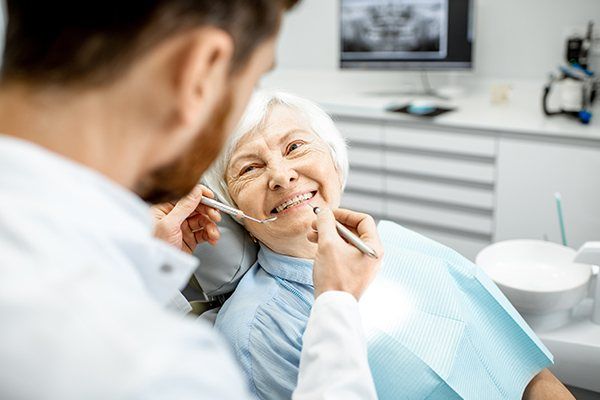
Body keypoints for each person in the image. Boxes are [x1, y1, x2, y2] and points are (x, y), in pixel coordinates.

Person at [0, 2, 383, 399]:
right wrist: (336, 305)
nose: (281, 175)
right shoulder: (162, 368)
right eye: (254, 81)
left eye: (296, 146)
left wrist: (144, 270)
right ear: (202, 68)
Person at [203, 90, 576, 400]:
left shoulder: (405, 247)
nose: (282, 175)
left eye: (296, 146)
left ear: (334, 159)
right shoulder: (257, 330)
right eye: (249, 168)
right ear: (234, 210)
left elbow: (528, 374)